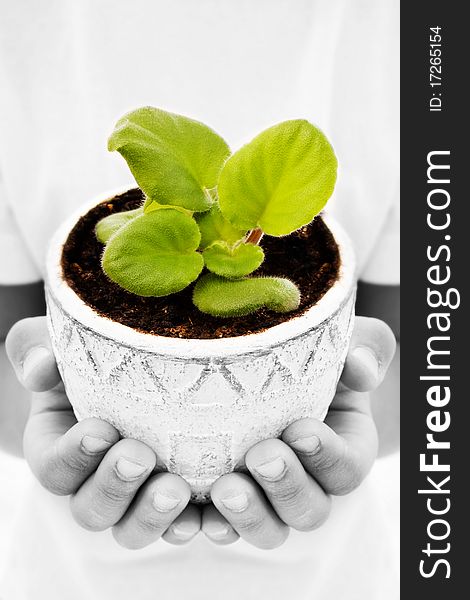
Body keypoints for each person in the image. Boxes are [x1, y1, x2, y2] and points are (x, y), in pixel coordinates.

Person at [0, 1, 400, 599]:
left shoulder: (409, 33)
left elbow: (422, 374)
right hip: (67, 574)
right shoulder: (20, 27)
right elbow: (16, 372)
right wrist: (46, 398)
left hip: (335, 575)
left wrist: (358, 400)